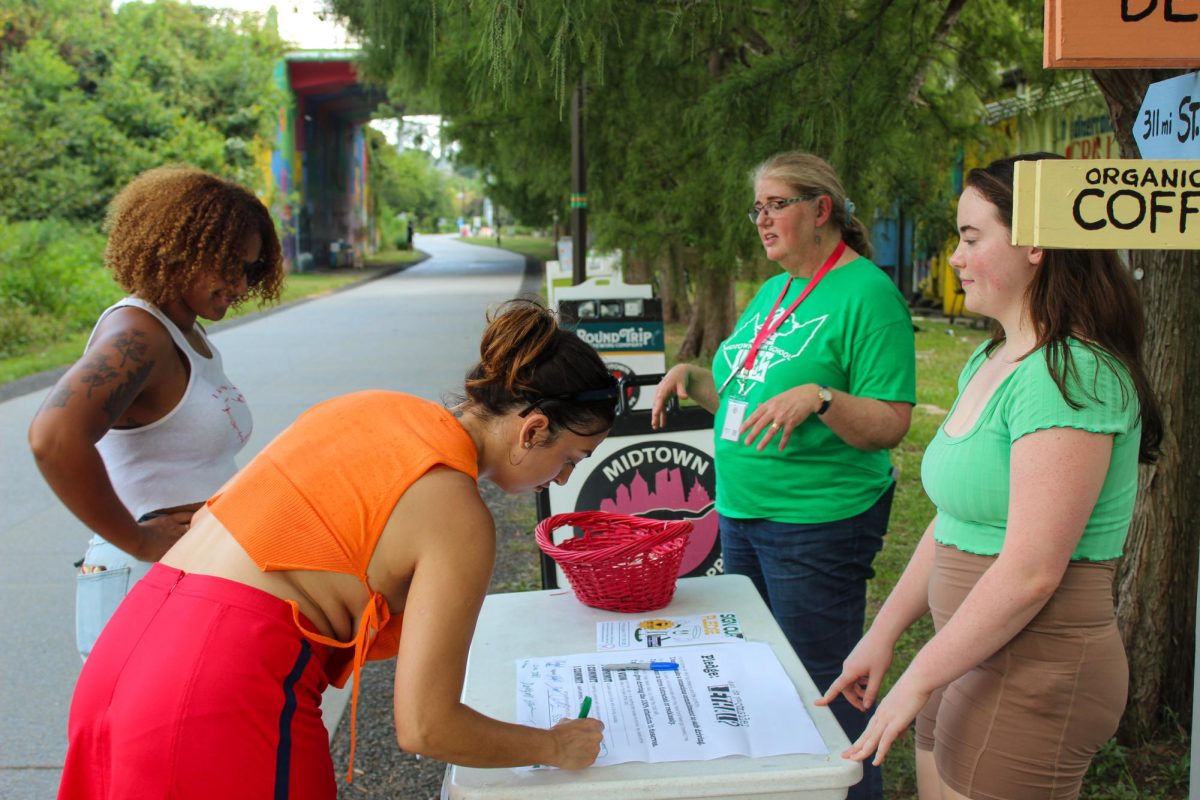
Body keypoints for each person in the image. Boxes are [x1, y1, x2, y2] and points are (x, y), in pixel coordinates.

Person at [56, 299, 614, 799]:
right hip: (219, 690)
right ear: (533, 429)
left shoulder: (371, 407)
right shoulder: (456, 511)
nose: (563, 479)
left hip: (127, 648)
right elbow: (426, 725)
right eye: (572, 457)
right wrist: (555, 746)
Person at [821, 153, 1163, 800]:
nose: (954, 257)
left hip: (1037, 668)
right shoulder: (991, 357)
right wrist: (886, 633)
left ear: (1034, 244)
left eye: (971, 237)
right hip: (966, 653)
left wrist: (921, 674)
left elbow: (1032, 571)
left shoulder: (1074, 375)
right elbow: (956, 525)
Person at [651, 150, 916, 800]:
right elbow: (749, 405)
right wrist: (693, 380)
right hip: (745, 513)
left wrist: (823, 398)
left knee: (826, 685)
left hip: (816, 523)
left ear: (820, 209)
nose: (762, 220)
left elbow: (891, 421)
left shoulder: (867, 295)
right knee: (765, 678)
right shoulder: (774, 291)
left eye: (777, 205)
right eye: (758, 207)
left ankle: (854, 789)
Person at [28, 166, 285, 660]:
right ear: (178, 249)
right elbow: (54, 438)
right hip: (147, 580)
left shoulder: (183, 331)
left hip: (188, 576)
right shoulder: (139, 334)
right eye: (227, 263)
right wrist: (138, 540)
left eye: (250, 269)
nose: (239, 282)